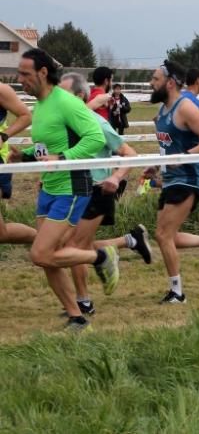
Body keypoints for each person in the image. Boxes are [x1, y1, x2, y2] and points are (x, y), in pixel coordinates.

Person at [12, 49, 114, 332]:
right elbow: (50, 146)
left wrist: (64, 158)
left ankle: (102, 257)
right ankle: (76, 317)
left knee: (40, 254)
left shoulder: (66, 102)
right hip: (49, 186)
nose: (19, 79)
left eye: (25, 74)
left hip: (72, 185)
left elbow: (94, 138)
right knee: (49, 259)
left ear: (43, 73)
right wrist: (26, 156)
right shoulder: (41, 105)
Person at [59, 72, 153, 316]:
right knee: (76, 245)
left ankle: (83, 302)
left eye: (64, 93)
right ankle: (130, 241)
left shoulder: (97, 123)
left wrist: (115, 177)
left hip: (97, 190)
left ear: (79, 96)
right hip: (71, 191)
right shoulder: (63, 124)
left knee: (73, 246)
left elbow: (129, 153)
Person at [149, 60, 199, 304]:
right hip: (171, 179)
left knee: (163, 235)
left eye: (155, 80)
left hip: (189, 179)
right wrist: (157, 166)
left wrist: (185, 157)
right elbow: (168, 146)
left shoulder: (185, 107)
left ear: (170, 82)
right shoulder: (162, 111)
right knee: (166, 235)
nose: (151, 84)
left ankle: (177, 292)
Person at [0, 81, 34, 245]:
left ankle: (46, 242)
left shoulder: (2, 90)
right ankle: (47, 241)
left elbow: (26, 116)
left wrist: (3, 136)